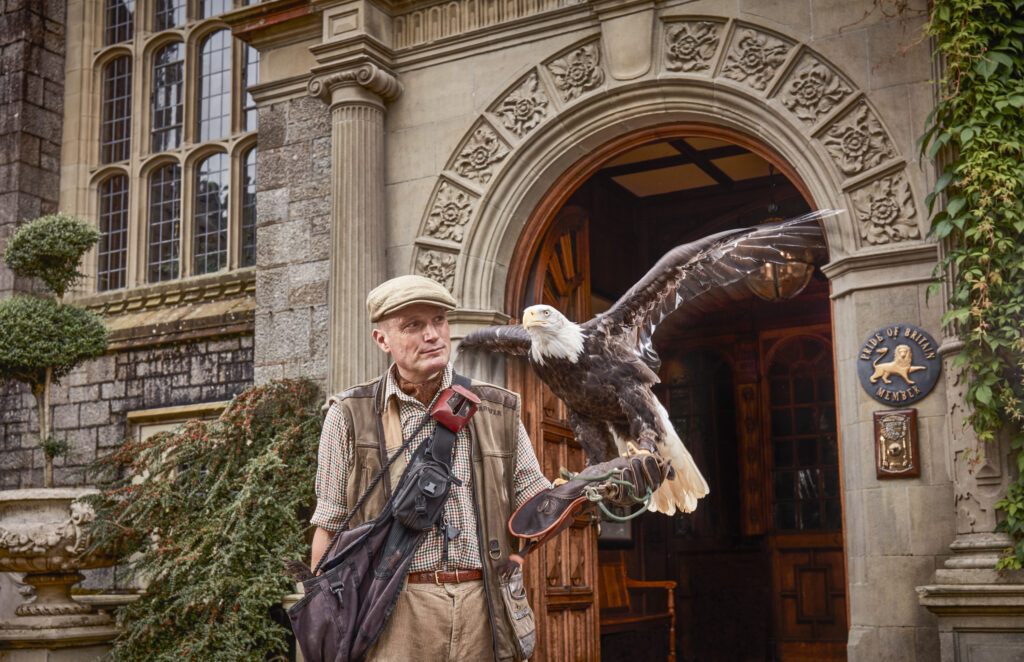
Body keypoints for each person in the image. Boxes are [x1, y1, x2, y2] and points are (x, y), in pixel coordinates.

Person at [310, 275, 552, 661]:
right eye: (414, 325)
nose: (433, 335)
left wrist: (593, 487)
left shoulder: (496, 408)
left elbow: (536, 505)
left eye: (439, 320)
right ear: (382, 340)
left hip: (482, 605)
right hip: (393, 611)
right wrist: (325, 621)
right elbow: (330, 523)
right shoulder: (349, 415)